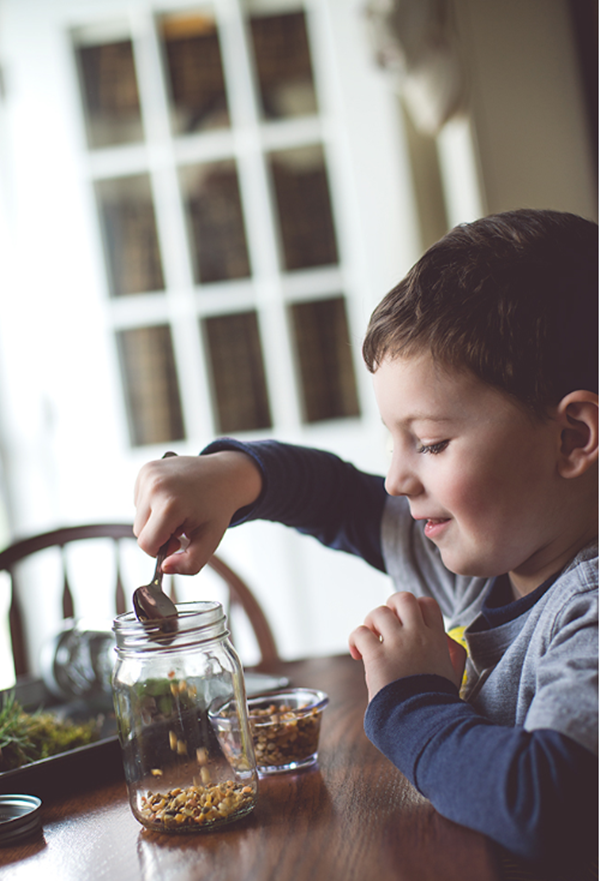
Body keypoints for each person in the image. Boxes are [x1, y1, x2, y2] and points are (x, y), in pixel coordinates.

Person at [133, 209, 598, 878]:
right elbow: (338, 498)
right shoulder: (487, 564)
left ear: (572, 438)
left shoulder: (587, 608)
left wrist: (411, 702)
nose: (396, 476)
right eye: (394, 438)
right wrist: (231, 476)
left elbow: (548, 804)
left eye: (432, 443)